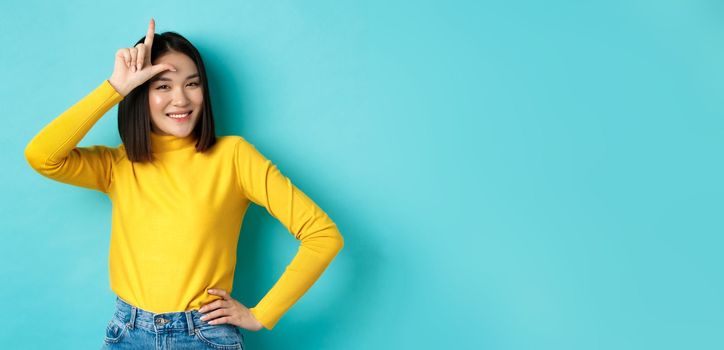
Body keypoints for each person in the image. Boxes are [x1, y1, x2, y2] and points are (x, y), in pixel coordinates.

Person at [24, 18, 344, 349]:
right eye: (162, 86)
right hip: (128, 333)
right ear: (141, 94)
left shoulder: (234, 157)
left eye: (192, 84)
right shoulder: (117, 165)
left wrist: (262, 314)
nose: (181, 99)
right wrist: (115, 88)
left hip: (203, 336)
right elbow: (41, 156)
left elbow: (322, 235)